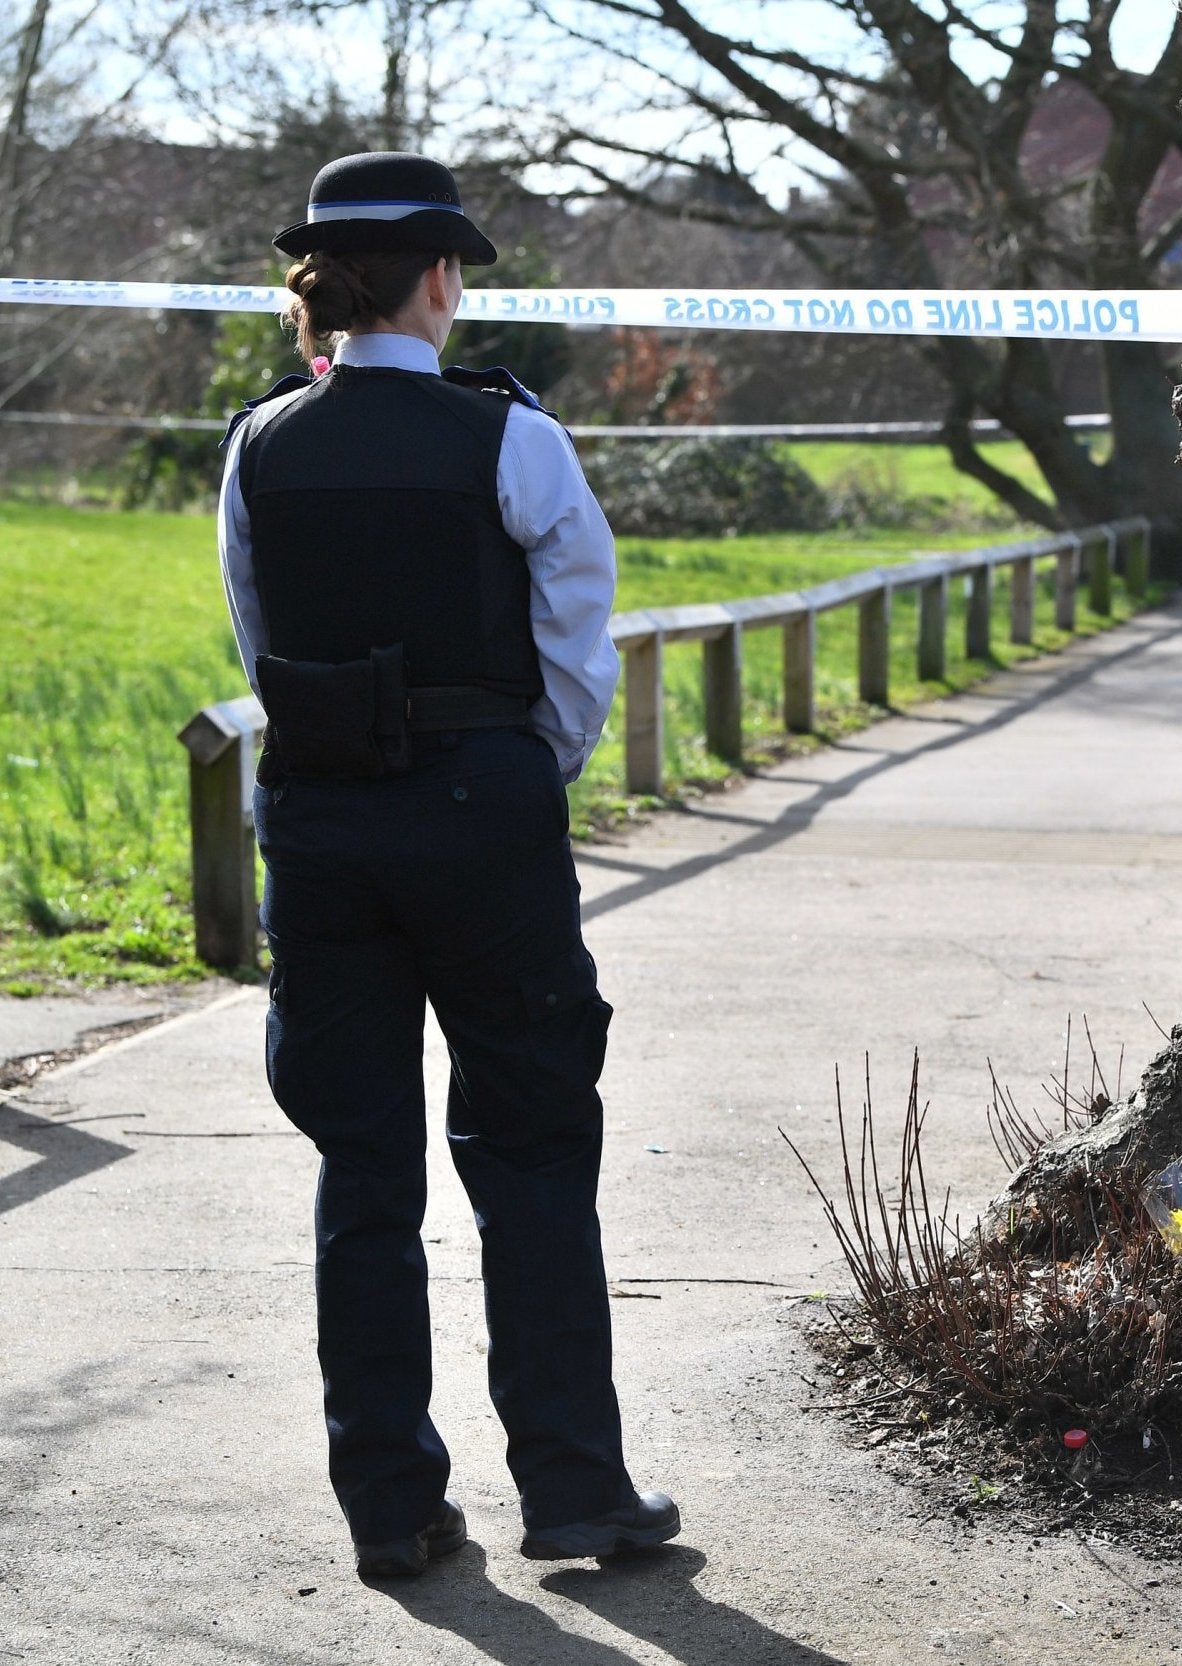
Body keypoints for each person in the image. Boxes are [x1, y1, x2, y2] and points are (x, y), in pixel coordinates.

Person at [218, 151, 678, 1579]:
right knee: (532, 1144)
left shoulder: (260, 441)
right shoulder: (512, 438)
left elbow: (257, 634)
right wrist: (529, 765)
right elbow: (578, 634)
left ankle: (391, 1507)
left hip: (325, 815)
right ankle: (576, 1494)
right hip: (481, 803)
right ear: (439, 279)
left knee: (363, 1166)